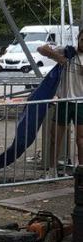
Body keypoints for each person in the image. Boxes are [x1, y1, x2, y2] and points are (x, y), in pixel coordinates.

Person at [38, 31, 83, 174]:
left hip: (81, 103)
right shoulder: (68, 51)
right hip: (63, 101)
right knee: (55, 138)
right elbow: (42, 49)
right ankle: (52, 170)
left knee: (81, 140)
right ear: (78, 39)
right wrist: (58, 57)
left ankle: (81, 171)